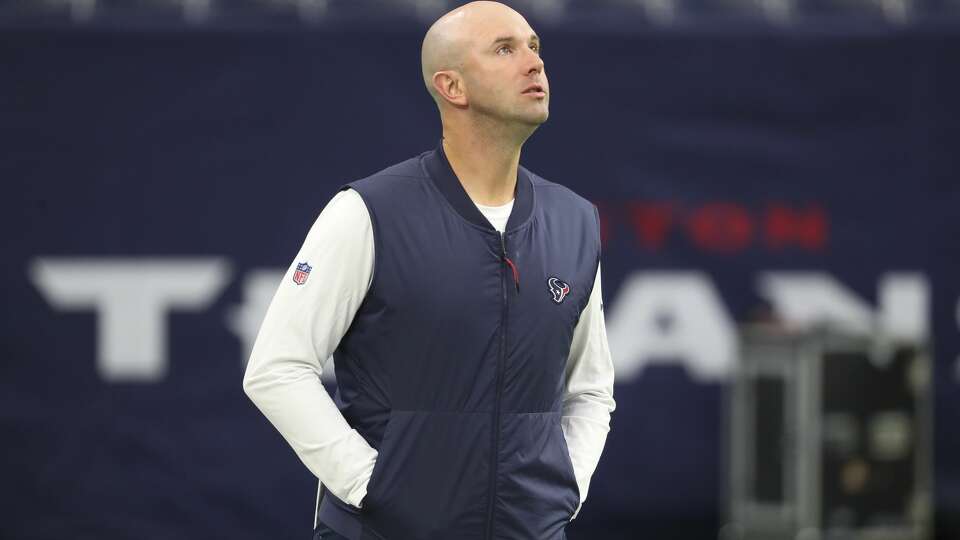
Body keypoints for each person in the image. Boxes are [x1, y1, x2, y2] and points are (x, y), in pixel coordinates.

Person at [242, 2, 616, 539]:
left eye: (535, 47)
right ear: (452, 87)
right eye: (505, 49)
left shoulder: (576, 222)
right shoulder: (367, 212)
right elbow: (276, 368)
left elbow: (591, 388)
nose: (534, 64)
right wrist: (373, 486)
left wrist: (565, 488)